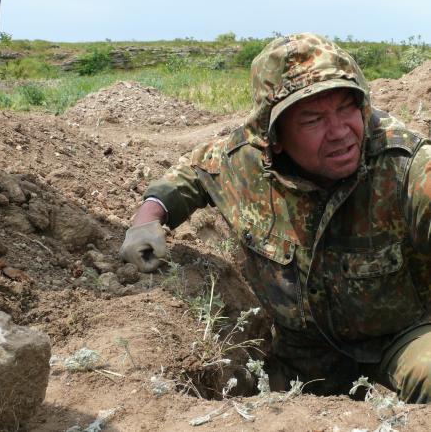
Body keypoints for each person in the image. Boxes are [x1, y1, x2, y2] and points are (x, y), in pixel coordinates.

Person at [120, 33, 431, 403]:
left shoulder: (404, 165)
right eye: (313, 120)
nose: (340, 132)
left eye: (347, 108)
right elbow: (193, 173)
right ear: (274, 136)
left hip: (401, 340)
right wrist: (149, 217)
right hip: (300, 358)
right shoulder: (245, 162)